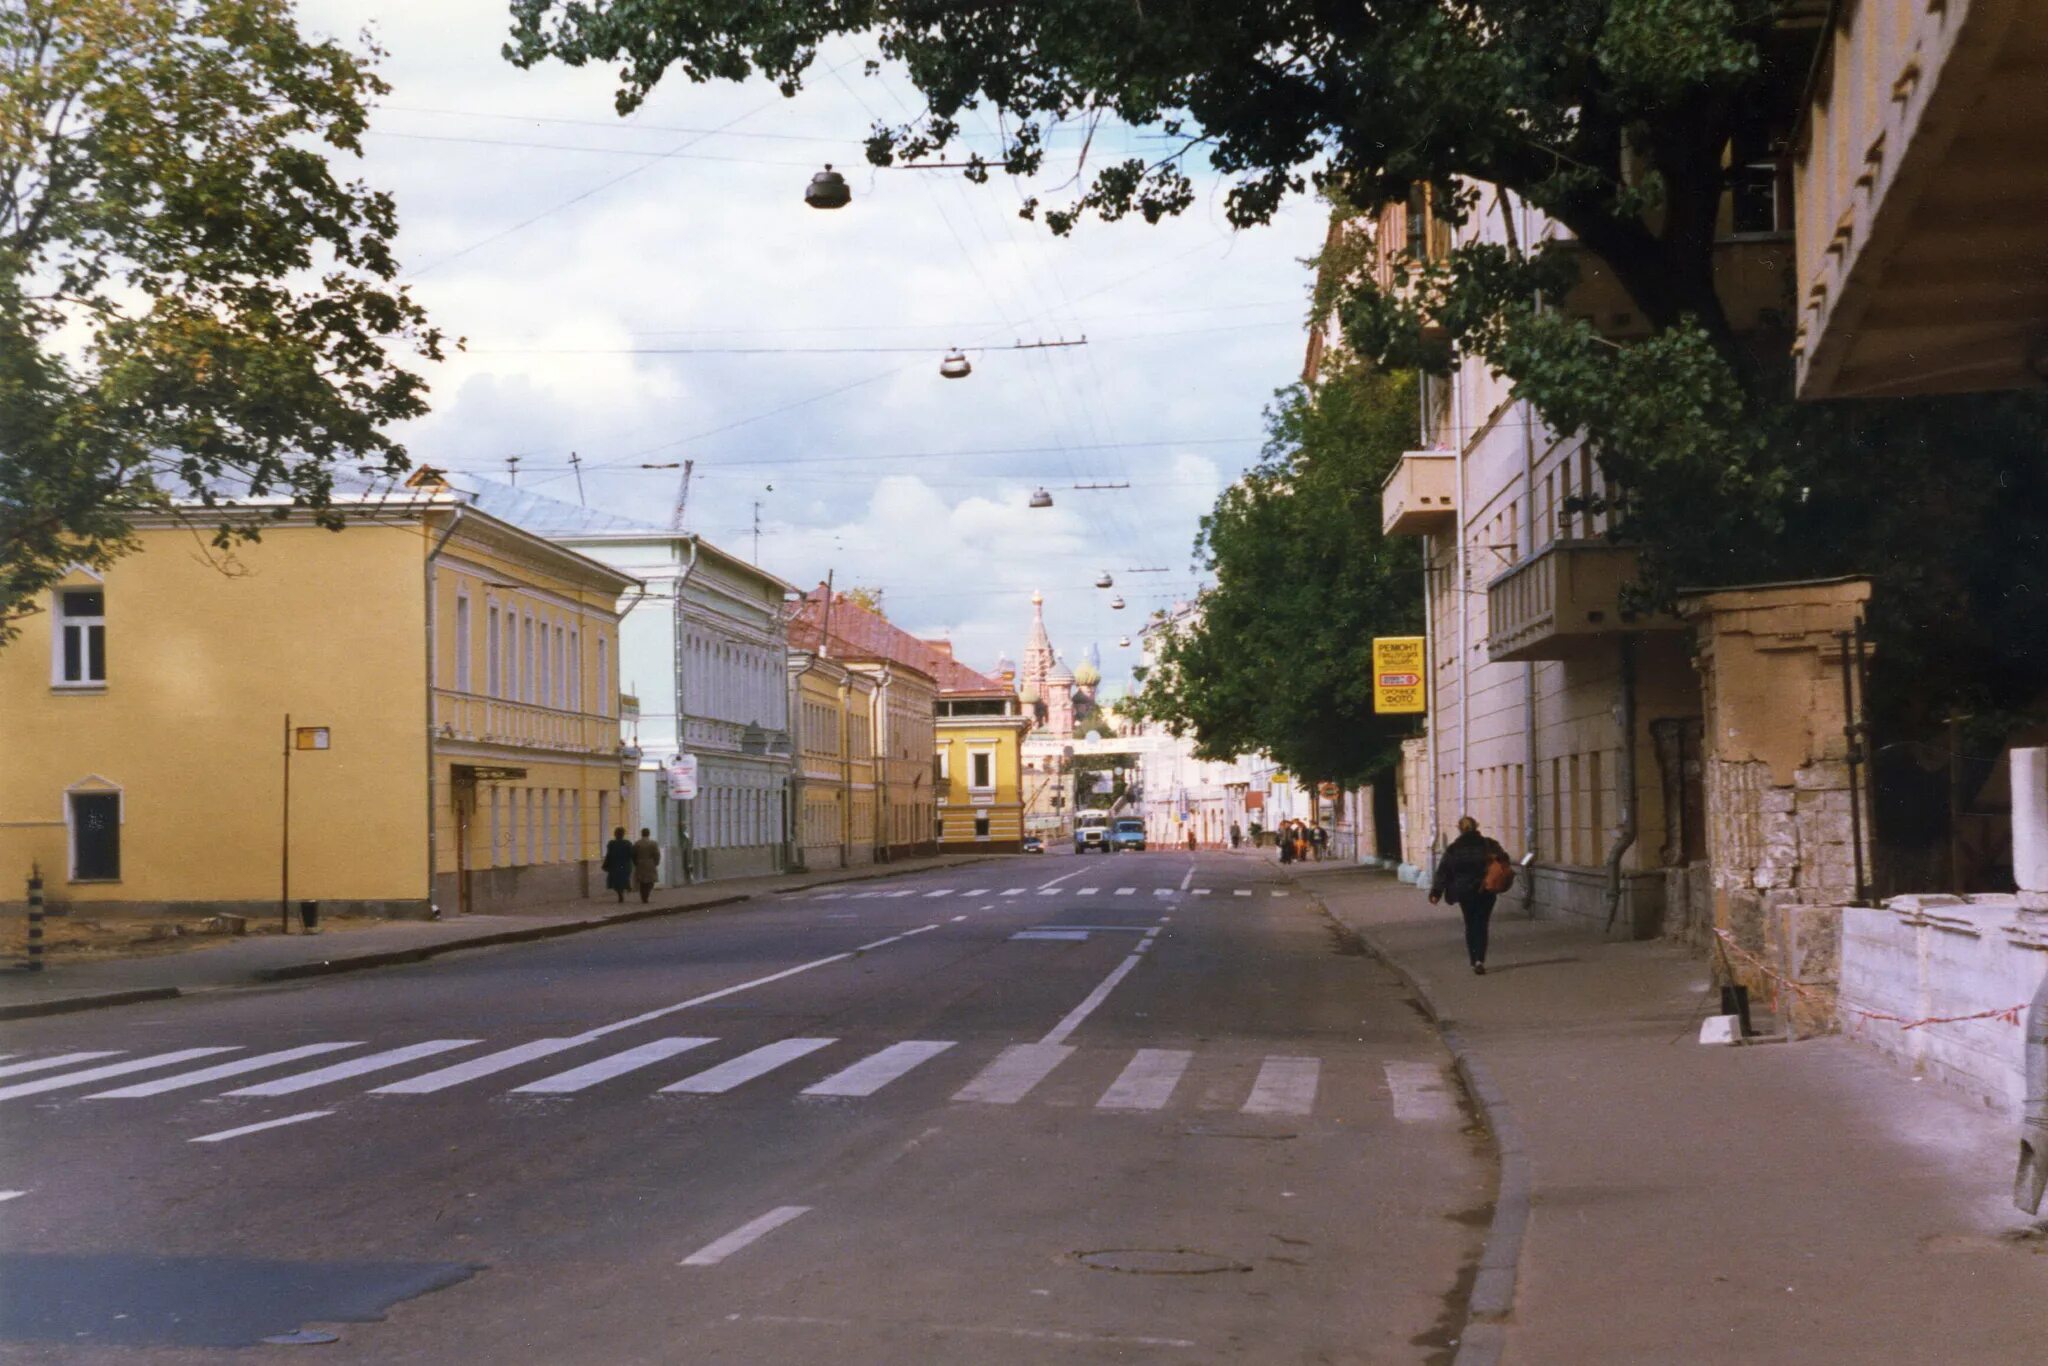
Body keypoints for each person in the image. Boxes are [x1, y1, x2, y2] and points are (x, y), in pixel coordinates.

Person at [1430, 816, 1508, 974]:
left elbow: (1443, 871)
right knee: (1482, 923)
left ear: (1460, 829)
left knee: (1470, 924)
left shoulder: (1454, 848)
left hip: (1465, 891)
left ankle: (1473, 961)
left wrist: (1436, 892)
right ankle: (1480, 959)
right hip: (1486, 889)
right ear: (1476, 827)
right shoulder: (1489, 844)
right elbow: (1504, 859)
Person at [601, 826, 635, 904]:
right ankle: (624, 889)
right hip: (625, 865)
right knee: (623, 879)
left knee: (616, 881)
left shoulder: (612, 843)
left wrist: (605, 865)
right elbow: (631, 854)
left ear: (615, 834)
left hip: (615, 865)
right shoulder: (627, 843)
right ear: (623, 834)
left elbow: (608, 855)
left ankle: (620, 893)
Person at [631, 827, 662, 904]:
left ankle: (643, 896)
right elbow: (657, 854)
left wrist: (635, 862)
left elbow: (633, 854)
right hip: (650, 863)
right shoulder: (653, 843)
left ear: (642, 834)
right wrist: (656, 862)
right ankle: (646, 895)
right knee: (650, 881)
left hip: (640, 863)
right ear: (648, 834)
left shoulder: (637, 843)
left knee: (642, 881)